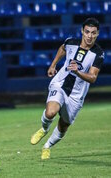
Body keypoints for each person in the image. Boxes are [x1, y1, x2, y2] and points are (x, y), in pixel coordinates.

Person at [30, 18, 104, 160]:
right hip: (60, 84)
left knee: (64, 125)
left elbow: (93, 77)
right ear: (82, 31)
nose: (89, 36)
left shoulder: (98, 54)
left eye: (93, 33)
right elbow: (62, 49)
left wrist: (77, 72)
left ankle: (47, 146)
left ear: (97, 34)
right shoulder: (71, 42)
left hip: (77, 95)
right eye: (87, 32)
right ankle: (44, 129)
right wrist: (53, 65)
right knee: (51, 112)